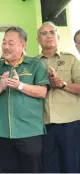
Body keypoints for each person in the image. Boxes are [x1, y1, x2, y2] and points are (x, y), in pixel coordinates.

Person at [0, 26, 50, 173]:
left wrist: (20, 85)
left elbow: (42, 92)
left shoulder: (35, 65)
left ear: (23, 45)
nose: (6, 46)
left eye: (11, 43)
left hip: (30, 132)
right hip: (2, 134)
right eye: (4, 42)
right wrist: (0, 87)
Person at [37, 22, 80, 173]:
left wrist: (62, 84)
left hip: (71, 123)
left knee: (73, 166)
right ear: (38, 40)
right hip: (44, 124)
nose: (48, 35)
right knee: (50, 167)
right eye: (43, 33)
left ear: (58, 36)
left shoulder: (71, 59)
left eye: (52, 32)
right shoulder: (33, 63)